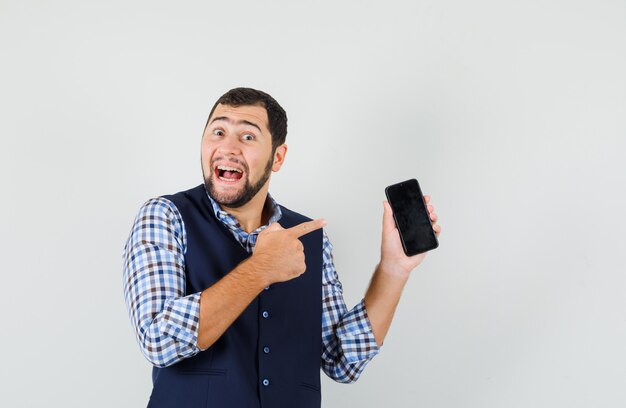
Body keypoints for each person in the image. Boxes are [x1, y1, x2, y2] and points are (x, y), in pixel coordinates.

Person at [122, 87, 441, 408]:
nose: (227, 147)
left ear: (278, 157)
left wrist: (393, 269)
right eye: (218, 132)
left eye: (247, 137)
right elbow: (158, 340)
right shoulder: (165, 216)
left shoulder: (310, 236)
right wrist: (259, 269)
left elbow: (341, 361)